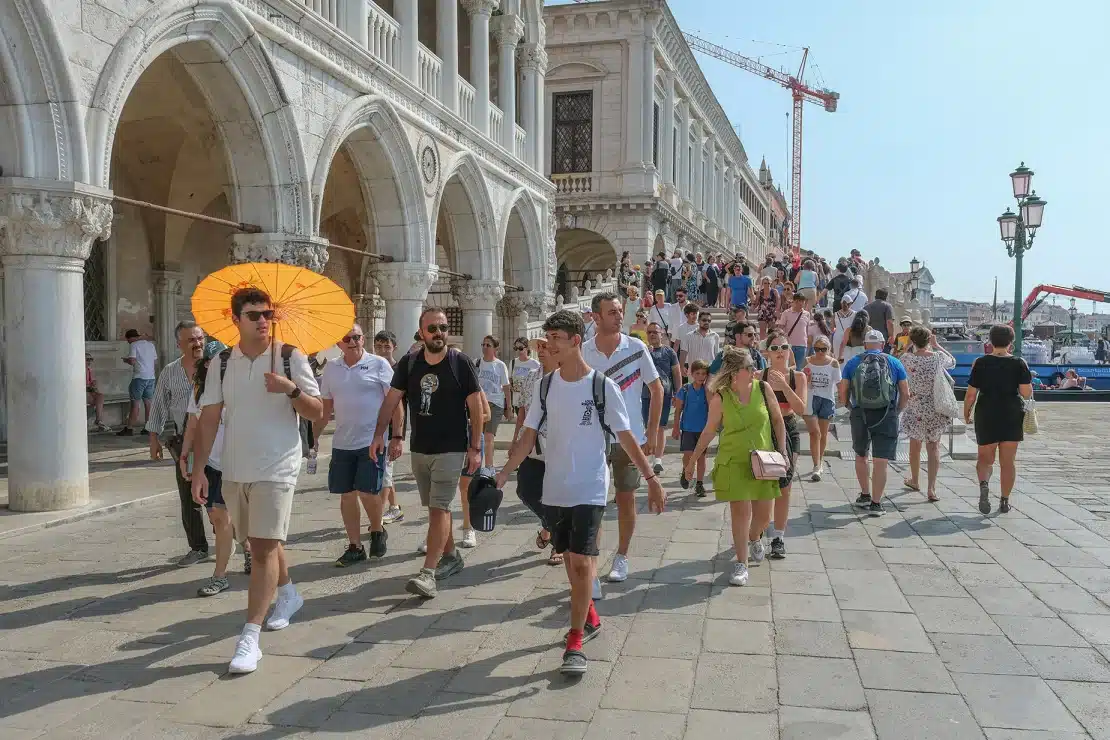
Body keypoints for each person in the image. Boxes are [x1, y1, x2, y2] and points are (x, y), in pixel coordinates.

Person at [497, 309, 664, 676]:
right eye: (547, 338)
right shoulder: (545, 385)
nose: (548, 344)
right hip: (555, 488)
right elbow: (527, 436)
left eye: (555, 338)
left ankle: (575, 640)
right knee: (571, 560)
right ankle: (587, 610)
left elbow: (625, 437)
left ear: (575, 342)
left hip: (590, 485)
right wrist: (504, 473)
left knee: (584, 560)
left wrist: (650, 478)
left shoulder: (602, 386)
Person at [192, 288, 323, 674]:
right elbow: (210, 416)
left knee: (263, 549)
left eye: (268, 314)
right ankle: (288, 593)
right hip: (235, 468)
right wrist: (200, 468)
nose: (263, 320)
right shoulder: (220, 363)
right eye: (254, 315)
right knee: (256, 541)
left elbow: (317, 412)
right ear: (236, 320)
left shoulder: (289, 356)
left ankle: (250, 638)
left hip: (278, 465)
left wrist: (291, 389)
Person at [370, 307, 484, 599]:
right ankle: (452, 556)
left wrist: (475, 448)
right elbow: (392, 401)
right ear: (421, 332)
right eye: (432, 328)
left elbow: (476, 409)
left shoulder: (460, 363)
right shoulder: (409, 363)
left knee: (439, 507)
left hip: (452, 447)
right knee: (434, 508)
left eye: (443, 328)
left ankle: (428, 573)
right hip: (420, 447)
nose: (439, 333)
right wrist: (381, 435)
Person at [685, 347, 786, 586]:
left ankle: (754, 537)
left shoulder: (763, 389)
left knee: (763, 517)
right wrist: (691, 462)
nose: (753, 370)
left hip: (763, 461)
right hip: (733, 461)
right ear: (733, 372)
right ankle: (742, 564)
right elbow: (709, 430)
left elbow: (777, 420)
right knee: (740, 514)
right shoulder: (721, 397)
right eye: (748, 367)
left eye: (753, 366)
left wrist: (782, 451)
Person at [582, 292, 663, 584]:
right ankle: (591, 560)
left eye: (619, 311)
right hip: (593, 439)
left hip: (631, 439)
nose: (619, 316)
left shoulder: (636, 347)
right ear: (596, 317)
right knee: (594, 502)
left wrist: (652, 432)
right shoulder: (584, 352)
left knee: (626, 498)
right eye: (612, 312)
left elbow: (657, 389)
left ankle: (622, 556)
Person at [318, 325, 399, 567]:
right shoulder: (331, 369)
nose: (353, 341)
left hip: (372, 439)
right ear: (338, 343)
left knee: (369, 492)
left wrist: (396, 436)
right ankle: (355, 546)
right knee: (347, 494)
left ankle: (377, 528)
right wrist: (312, 436)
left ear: (363, 339)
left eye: (357, 337)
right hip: (343, 442)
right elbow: (325, 408)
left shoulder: (379, 364)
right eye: (347, 338)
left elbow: (395, 401)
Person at [182, 340, 251, 597]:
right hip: (211, 463)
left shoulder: (242, 388)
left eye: (221, 361)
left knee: (234, 518)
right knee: (219, 518)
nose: (215, 365)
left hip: (239, 463)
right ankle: (228, 567)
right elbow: (192, 423)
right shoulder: (200, 390)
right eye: (211, 361)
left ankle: (234, 563)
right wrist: (186, 454)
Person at [146, 321, 209, 566]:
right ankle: (198, 547)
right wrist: (154, 439)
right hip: (187, 445)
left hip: (217, 441)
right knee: (188, 496)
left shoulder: (216, 368)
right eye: (191, 340)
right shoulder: (170, 372)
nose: (197, 343)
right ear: (179, 344)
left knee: (220, 496)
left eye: (200, 338)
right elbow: (159, 404)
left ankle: (236, 542)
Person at [838, 330, 909, 517]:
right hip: (887, 412)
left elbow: (843, 390)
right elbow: (905, 392)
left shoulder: (853, 362)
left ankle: (864, 495)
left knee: (861, 455)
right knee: (881, 461)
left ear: (865, 343)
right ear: (883, 343)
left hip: (860, 412)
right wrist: (897, 410)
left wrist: (849, 407)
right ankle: (877, 504)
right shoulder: (894, 362)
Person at [964, 324, 1033, 515]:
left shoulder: (980, 362)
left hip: (986, 411)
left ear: (990, 341)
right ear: (1011, 342)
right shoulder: (1019, 363)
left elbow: (970, 394)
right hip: (1011, 412)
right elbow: (1026, 392)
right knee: (1008, 462)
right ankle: (1004, 500)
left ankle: (984, 484)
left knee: (985, 458)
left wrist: (966, 412)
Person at [512, 337, 561, 566]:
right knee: (525, 489)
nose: (541, 351)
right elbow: (522, 410)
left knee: (556, 495)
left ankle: (558, 544)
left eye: (544, 346)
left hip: (557, 447)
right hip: (532, 445)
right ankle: (548, 526)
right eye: (538, 347)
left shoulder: (566, 376)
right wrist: (515, 439)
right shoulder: (531, 376)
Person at [761, 331, 807, 559]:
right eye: (776, 347)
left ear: (790, 351)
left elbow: (800, 409)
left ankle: (778, 536)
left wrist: (784, 386)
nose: (780, 351)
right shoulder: (760, 375)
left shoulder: (797, 377)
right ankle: (758, 530)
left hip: (789, 429)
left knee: (784, 487)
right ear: (767, 352)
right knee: (762, 484)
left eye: (784, 347)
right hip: (764, 430)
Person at [900, 327, 956, 503]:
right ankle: (931, 488)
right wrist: (937, 345)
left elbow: (897, 360)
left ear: (913, 341)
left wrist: (907, 346)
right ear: (928, 340)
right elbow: (953, 361)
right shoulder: (937, 358)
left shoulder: (907, 359)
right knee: (934, 447)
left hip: (915, 405)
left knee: (915, 446)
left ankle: (915, 480)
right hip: (934, 405)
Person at [373, 330, 405, 524]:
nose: (383, 350)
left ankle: (379, 515)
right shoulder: (372, 366)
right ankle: (394, 507)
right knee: (386, 469)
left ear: (394, 347)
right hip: (376, 425)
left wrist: (397, 434)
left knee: (386, 470)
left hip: (392, 427)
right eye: (379, 346)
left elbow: (400, 404)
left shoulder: (399, 368)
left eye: (387, 346)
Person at [645, 322, 681, 475]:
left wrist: (678, 393)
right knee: (646, 427)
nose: (652, 334)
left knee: (661, 427)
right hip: (645, 395)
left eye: (655, 332)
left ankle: (658, 459)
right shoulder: (643, 351)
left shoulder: (669, 352)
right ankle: (646, 459)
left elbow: (676, 373)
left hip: (664, 394)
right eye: (649, 332)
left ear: (661, 334)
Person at [803, 335, 840, 481]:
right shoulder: (807, 361)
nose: (819, 352)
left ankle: (820, 460)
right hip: (811, 398)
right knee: (814, 433)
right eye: (817, 349)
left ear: (828, 349)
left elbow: (838, 382)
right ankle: (816, 465)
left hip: (827, 399)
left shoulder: (833, 363)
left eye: (823, 349)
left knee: (823, 434)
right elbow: (801, 379)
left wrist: (842, 399)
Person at [672, 360, 711, 496]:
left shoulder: (707, 391)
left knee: (701, 457)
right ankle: (686, 470)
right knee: (688, 455)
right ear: (692, 374)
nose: (701, 376)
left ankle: (699, 483)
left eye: (703, 374)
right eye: (698, 373)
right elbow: (678, 410)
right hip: (688, 428)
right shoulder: (685, 389)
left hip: (703, 429)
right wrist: (676, 427)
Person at [476, 335, 511, 469]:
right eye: (483, 345)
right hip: (480, 404)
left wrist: (509, 407)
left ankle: (489, 467)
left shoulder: (500, 365)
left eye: (488, 345)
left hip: (495, 403)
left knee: (489, 436)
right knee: (478, 436)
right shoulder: (477, 363)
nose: (485, 347)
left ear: (495, 348)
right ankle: (476, 465)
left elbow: (506, 387)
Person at [118, 328, 158, 436]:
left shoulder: (134, 345)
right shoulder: (151, 345)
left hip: (139, 377)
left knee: (135, 404)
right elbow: (155, 361)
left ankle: (129, 428)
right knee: (148, 403)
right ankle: (148, 427)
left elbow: (132, 360)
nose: (128, 343)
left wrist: (125, 360)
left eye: (128, 340)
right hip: (151, 377)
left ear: (130, 338)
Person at [509, 337, 541, 426]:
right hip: (517, 401)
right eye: (516, 348)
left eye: (521, 348)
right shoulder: (513, 363)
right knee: (520, 425)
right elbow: (510, 379)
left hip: (530, 401)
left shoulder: (535, 364)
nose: (518, 351)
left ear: (527, 348)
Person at [776, 293, 812, 369]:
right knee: (787, 368)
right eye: (799, 301)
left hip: (802, 345)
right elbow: (780, 328)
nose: (801, 303)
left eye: (803, 301)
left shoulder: (807, 314)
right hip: (788, 345)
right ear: (794, 301)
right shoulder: (786, 313)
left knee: (798, 369)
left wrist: (808, 342)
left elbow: (807, 330)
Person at [85, 353, 111, 432]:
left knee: (100, 396)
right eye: (87, 359)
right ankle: (99, 422)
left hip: (88, 391)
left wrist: (93, 384)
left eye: (91, 359)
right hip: (81, 393)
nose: (89, 361)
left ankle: (99, 420)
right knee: (97, 399)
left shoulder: (88, 370)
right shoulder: (79, 370)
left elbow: (89, 383)